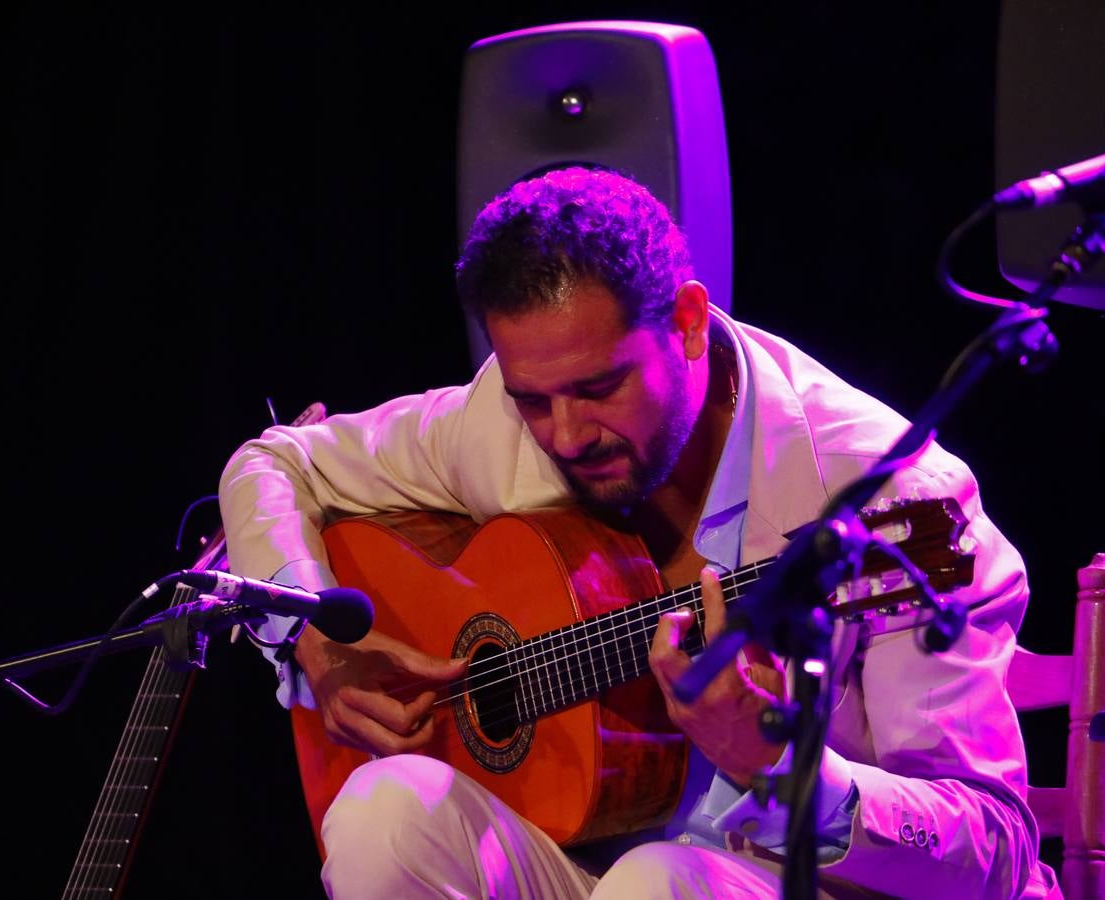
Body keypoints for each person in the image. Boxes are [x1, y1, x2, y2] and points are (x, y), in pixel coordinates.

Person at [218, 168, 1053, 898]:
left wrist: (786, 770)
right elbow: (272, 464)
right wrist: (316, 651)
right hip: (608, 867)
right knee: (380, 814)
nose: (565, 434)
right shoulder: (501, 424)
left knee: (659, 884)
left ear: (687, 322)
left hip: (814, 886)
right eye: (532, 398)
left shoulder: (884, 497)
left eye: (601, 386)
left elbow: (995, 852)